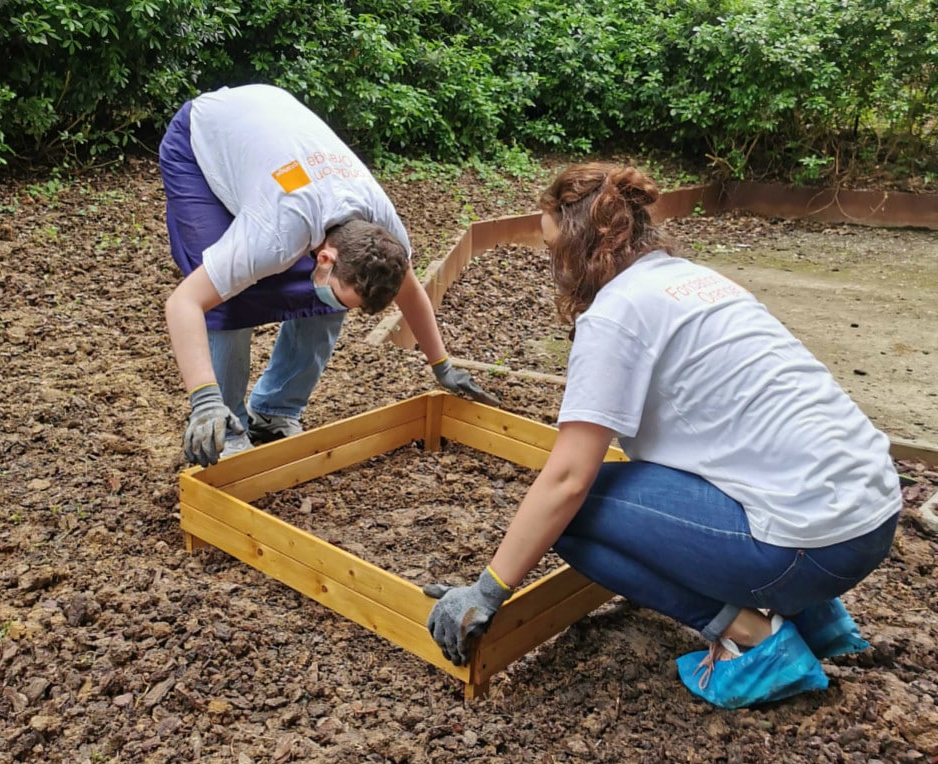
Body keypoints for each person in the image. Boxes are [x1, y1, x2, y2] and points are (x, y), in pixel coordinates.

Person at [423, 163, 902, 709]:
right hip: (871, 517)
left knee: (573, 516)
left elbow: (566, 478)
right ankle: (819, 620)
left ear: (580, 245)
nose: (552, 265)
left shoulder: (617, 313)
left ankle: (756, 640)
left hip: (808, 549)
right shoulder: (694, 279)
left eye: (552, 246)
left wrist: (484, 592)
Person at [159, 83, 497, 467]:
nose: (341, 304)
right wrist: (203, 400)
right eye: (339, 290)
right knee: (229, 298)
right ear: (325, 256)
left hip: (275, 138)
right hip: (202, 138)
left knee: (324, 300)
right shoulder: (273, 233)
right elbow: (185, 302)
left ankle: (274, 412)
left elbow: (409, 290)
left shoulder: (385, 232)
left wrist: (443, 366)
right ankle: (226, 424)